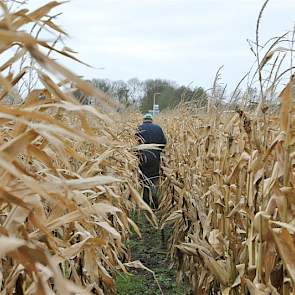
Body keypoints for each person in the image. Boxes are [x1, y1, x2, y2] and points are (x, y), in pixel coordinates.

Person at [136, 113, 167, 208]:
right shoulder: (158, 128)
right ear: (151, 120)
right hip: (155, 158)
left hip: (142, 158)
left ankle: (145, 202)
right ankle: (154, 202)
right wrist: (157, 151)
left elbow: (134, 143)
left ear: (144, 120)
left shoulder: (139, 128)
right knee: (154, 179)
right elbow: (164, 143)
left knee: (144, 179)